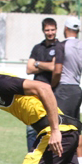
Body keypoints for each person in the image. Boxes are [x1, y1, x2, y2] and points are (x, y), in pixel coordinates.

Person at [54, 17, 82, 164]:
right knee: (77, 127)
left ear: (65, 28)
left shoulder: (62, 46)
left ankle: (61, 161)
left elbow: (57, 70)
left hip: (63, 88)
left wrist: (51, 86)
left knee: (58, 125)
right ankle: (81, 163)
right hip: (77, 90)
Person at [25, 17, 61, 152]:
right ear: (43, 31)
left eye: (52, 30)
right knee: (31, 128)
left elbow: (54, 67)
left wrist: (38, 63)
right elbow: (29, 69)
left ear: (56, 30)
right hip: (34, 93)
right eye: (47, 30)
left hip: (53, 92)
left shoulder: (59, 47)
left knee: (52, 127)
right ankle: (31, 156)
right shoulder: (38, 48)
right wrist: (46, 65)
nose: (50, 32)